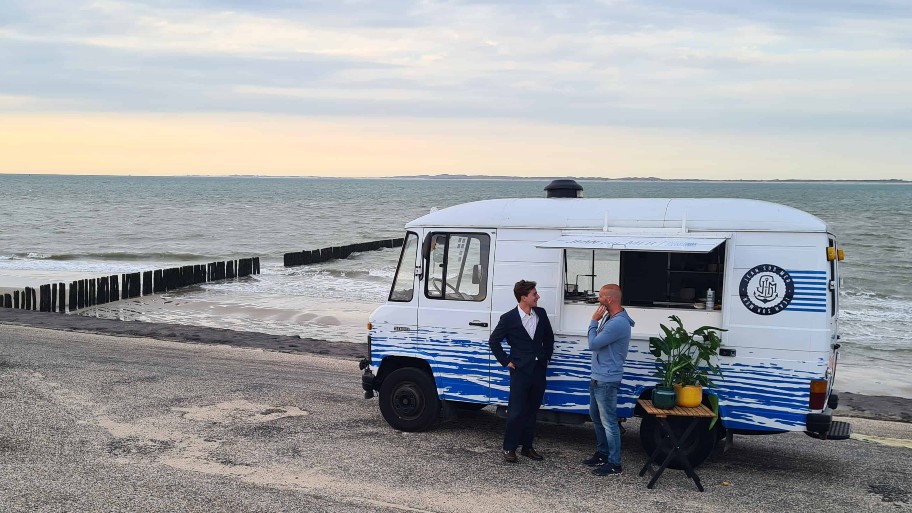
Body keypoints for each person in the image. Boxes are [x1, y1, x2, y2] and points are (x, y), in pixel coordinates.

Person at [489, 280, 555, 463]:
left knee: (532, 411)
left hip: (538, 370)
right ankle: (509, 448)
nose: (538, 296)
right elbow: (494, 341)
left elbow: (549, 337)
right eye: (534, 294)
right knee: (516, 411)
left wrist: (546, 357)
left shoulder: (540, 313)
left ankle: (527, 447)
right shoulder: (508, 318)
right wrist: (506, 361)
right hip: (520, 371)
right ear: (524, 297)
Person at [583, 284, 634, 476]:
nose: (598, 298)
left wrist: (593, 322)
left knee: (609, 422)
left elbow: (593, 344)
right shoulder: (611, 317)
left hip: (607, 378)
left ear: (610, 299)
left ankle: (615, 463)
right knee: (596, 417)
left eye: (601, 296)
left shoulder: (617, 323)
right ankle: (603, 453)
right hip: (598, 376)